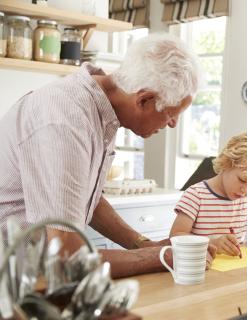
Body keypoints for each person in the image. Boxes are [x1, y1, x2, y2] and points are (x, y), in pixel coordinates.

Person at [0, 33, 215, 278]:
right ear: (144, 99)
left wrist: (143, 244)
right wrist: (160, 257)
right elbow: (65, 257)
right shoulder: (65, 121)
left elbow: (83, 197)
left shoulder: (101, 107)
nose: (174, 124)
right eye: (171, 114)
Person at [169, 131, 247, 256]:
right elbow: (176, 236)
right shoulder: (196, 195)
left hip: (233, 268)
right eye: (242, 180)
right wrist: (212, 243)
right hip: (201, 265)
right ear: (228, 163)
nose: (246, 191)